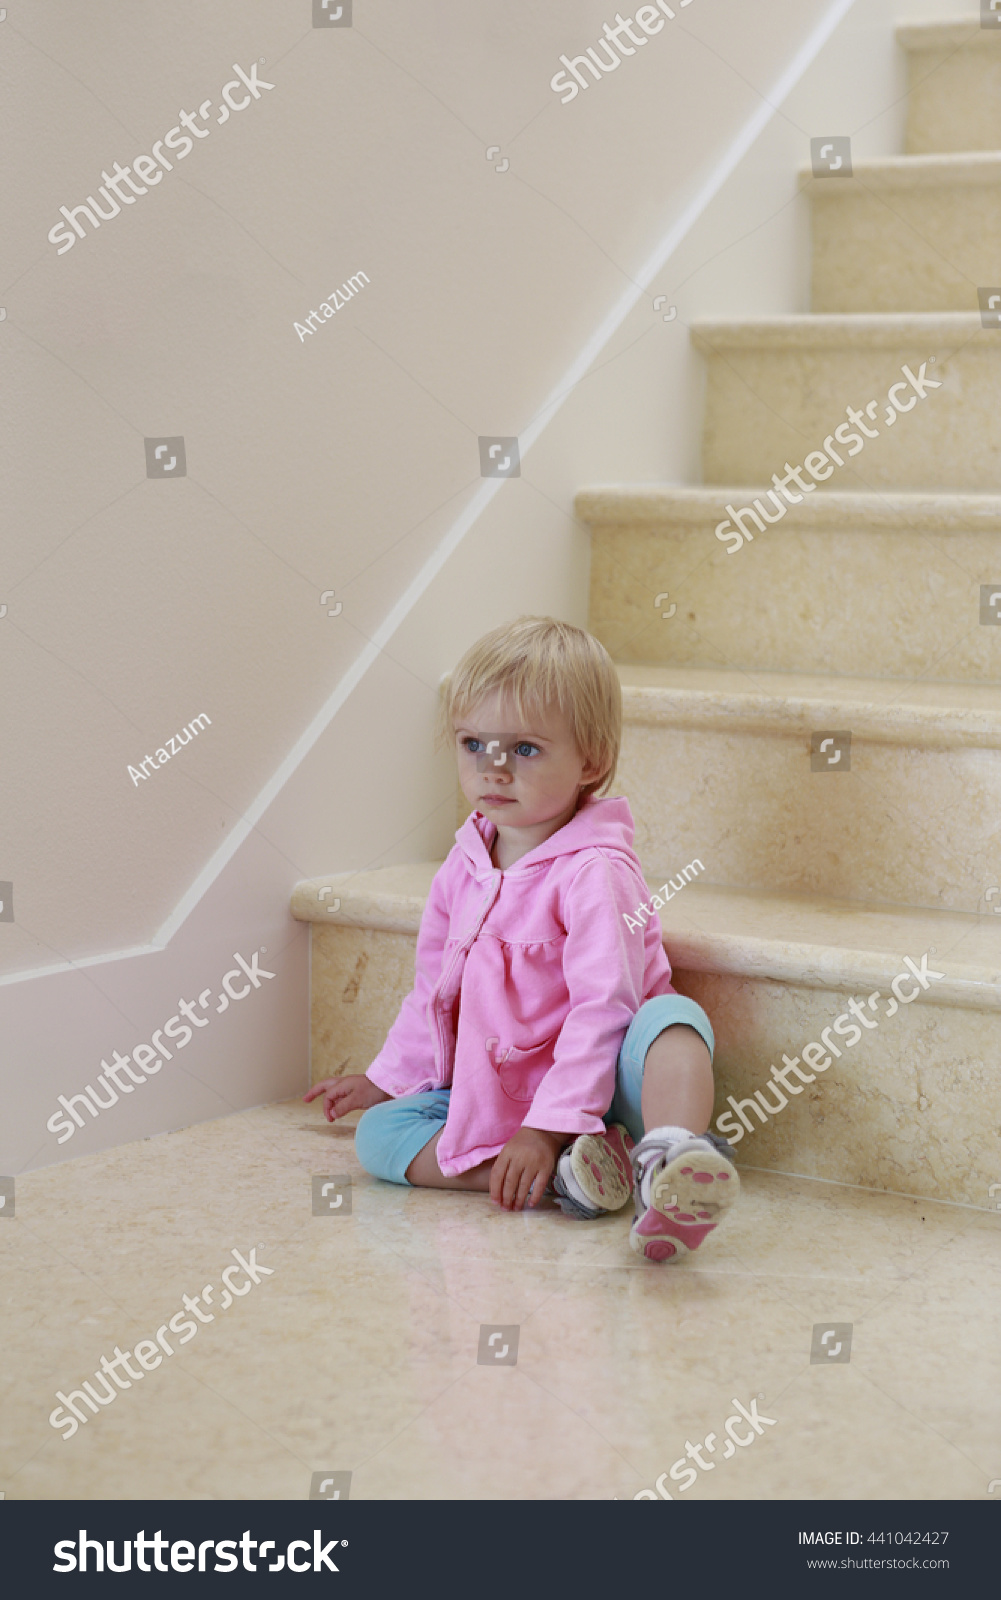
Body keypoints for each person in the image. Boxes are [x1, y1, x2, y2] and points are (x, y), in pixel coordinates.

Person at [304, 617, 739, 1262]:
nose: (494, 769)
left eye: (525, 749)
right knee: (381, 1137)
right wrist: (391, 1078)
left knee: (674, 1023)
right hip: (505, 1082)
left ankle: (667, 1161)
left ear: (590, 762)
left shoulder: (595, 871)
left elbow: (606, 1007)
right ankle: (567, 1180)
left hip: (610, 1082)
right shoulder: (465, 864)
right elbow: (435, 989)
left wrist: (547, 1125)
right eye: (474, 743)